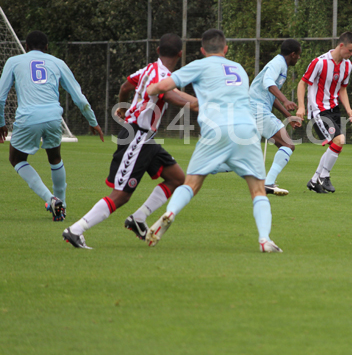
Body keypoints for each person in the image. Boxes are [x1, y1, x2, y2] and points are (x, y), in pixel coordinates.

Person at [144, 28, 282, 253]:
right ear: (225, 49)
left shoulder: (200, 65)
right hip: (246, 130)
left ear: (202, 50)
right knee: (258, 190)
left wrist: (146, 89)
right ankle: (265, 239)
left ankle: (170, 213)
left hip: (216, 129)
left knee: (191, 184)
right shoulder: (238, 68)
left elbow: (163, 86)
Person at [62, 33, 200, 249]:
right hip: (137, 137)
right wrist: (197, 106)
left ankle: (138, 218)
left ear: (158, 50)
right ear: (180, 54)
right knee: (121, 195)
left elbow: (126, 87)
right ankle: (75, 230)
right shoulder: (163, 76)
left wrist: (122, 107)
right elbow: (169, 95)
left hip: (147, 138)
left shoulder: (148, 70)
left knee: (177, 178)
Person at [0, 30, 104, 221]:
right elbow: (79, 97)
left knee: (16, 159)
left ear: (26, 46)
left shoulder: (14, 61)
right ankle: (61, 208)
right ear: (47, 47)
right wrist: (93, 121)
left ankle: (51, 199)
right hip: (53, 117)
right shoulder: (58, 62)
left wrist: (1, 122)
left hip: (28, 117)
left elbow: (0, 97)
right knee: (55, 158)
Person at [295, 31, 352, 194]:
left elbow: (342, 89)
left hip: (334, 109)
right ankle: (324, 176)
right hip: (318, 110)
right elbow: (302, 83)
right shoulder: (320, 62)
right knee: (339, 140)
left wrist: (348, 109)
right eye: (350, 50)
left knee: (336, 145)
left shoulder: (347, 65)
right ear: (341, 45)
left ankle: (314, 181)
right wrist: (301, 107)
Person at [249, 39, 302, 196]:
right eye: (298, 55)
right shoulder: (277, 63)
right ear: (293, 54)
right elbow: (268, 82)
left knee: (282, 145)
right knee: (288, 144)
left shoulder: (281, 65)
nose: (299, 58)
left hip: (256, 108)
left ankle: (207, 166)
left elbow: (270, 96)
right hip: (257, 109)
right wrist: (285, 100)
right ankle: (268, 183)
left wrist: (288, 116)